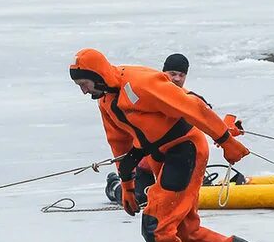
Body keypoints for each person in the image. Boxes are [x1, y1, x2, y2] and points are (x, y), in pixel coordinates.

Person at [70, 48, 274, 242]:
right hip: (160, 156)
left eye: (83, 85)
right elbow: (119, 142)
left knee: (156, 227)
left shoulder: (140, 83)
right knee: (185, 233)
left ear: (95, 76)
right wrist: (127, 184)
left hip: (185, 152)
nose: (83, 92)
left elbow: (193, 108)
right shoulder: (106, 99)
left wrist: (227, 141)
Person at [103, 53, 244, 206]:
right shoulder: (149, 93)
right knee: (141, 198)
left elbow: (207, 118)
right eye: (172, 74)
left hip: (175, 159)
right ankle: (114, 186)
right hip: (146, 163)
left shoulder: (189, 98)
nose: (177, 78)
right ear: (163, 73)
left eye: (181, 75)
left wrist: (229, 131)